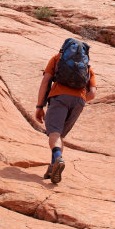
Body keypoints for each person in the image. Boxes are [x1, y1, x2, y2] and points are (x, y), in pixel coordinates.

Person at [35, 43, 97, 184]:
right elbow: (92, 94)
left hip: (59, 97)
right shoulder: (87, 67)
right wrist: (80, 100)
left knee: (54, 133)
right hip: (79, 101)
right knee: (60, 135)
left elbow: (45, 81)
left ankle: (57, 158)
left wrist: (40, 106)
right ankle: (53, 166)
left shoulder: (57, 58)